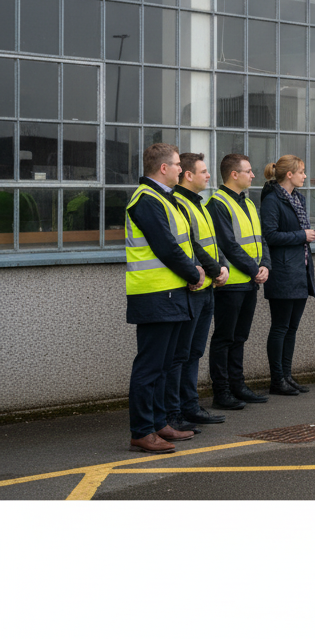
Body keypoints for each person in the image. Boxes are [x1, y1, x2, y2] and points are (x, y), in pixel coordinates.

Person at [124, 143, 203, 453]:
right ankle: (142, 431)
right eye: (177, 164)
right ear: (163, 168)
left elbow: (182, 244)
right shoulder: (147, 200)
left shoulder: (164, 198)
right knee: (149, 367)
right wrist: (194, 273)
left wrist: (193, 272)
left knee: (163, 365)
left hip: (169, 294)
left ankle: (158, 424)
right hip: (155, 295)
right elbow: (166, 247)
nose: (181, 169)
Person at [170, 152, 230, 428]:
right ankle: (177, 411)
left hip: (206, 290)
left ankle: (190, 406)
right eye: (203, 171)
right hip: (191, 290)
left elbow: (212, 243)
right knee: (181, 354)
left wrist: (222, 266)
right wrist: (217, 270)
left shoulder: (200, 204)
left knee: (194, 352)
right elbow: (192, 245)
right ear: (188, 175)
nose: (208, 175)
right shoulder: (179, 203)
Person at [207, 153, 270, 409]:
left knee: (240, 337)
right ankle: (221, 392)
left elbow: (260, 238)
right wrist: (255, 269)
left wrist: (265, 265)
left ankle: (238, 386)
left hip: (249, 281)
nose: (253, 175)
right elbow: (228, 245)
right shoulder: (217, 203)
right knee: (224, 338)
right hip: (230, 284)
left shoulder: (248, 202)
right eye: (249, 171)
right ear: (234, 174)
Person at [260, 155, 315, 396]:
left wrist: (302, 236)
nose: (305, 176)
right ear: (289, 174)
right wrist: (302, 235)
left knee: (292, 328)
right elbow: (270, 235)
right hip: (283, 272)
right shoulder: (272, 200)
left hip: (300, 270)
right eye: (301, 172)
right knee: (281, 327)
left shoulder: (297, 198)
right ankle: (277, 380)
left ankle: (287, 376)